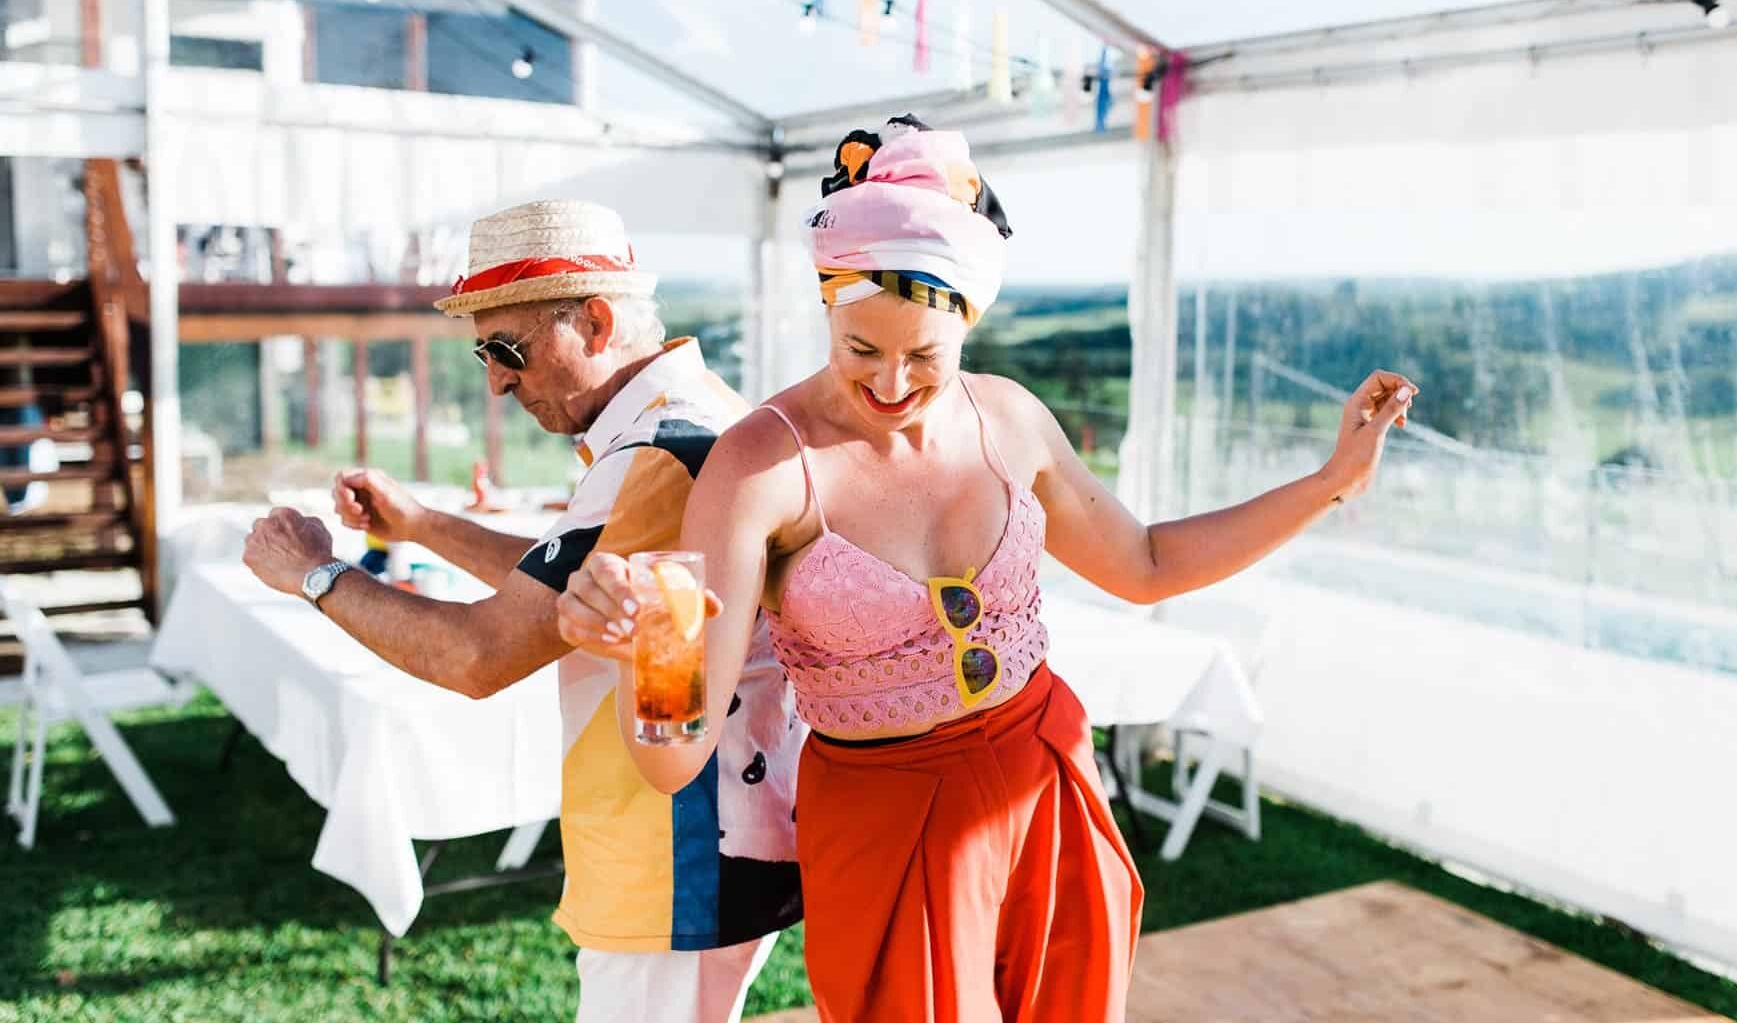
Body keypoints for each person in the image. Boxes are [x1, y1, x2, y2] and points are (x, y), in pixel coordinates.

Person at [556, 118, 1418, 1023]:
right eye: (862, 351)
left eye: (924, 355)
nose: (891, 382)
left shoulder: (1011, 419)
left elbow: (1150, 563)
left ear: (968, 320)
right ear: (828, 311)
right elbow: (673, 757)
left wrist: (1330, 483)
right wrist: (639, 642)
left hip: (1043, 776)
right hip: (882, 824)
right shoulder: (756, 466)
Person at [240, 200, 804, 1023]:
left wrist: (316, 573)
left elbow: (480, 655)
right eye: (483, 351)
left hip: (677, 850)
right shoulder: (688, 414)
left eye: (510, 349)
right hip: (716, 830)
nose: (497, 379)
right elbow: (557, 591)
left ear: (598, 320)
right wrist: (425, 524)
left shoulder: (655, 454)